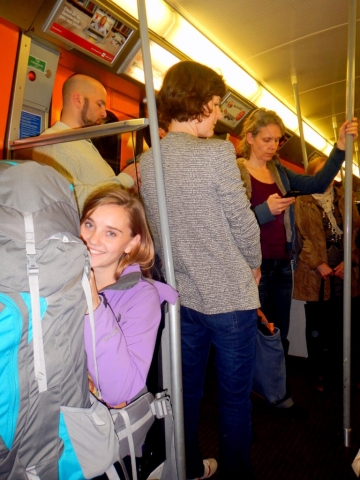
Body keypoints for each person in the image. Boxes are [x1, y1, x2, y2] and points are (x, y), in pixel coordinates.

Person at [140, 61, 262, 480]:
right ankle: (236, 473)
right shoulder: (216, 153)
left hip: (180, 299)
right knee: (232, 399)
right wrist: (256, 263)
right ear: (197, 105)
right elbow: (242, 221)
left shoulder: (147, 162)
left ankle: (187, 465)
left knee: (185, 392)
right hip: (229, 298)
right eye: (214, 106)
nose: (217, 115)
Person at [236, 108, 358, 410]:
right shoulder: (234, 171)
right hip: (251, 264)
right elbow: (231, 222)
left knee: (278, 330)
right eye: (267, 139)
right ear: (250, 138)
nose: (273, 146)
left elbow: (316, 184)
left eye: (278, 140)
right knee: (252, 331)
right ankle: (248, 389)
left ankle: (275, 387)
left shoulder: (278, 171)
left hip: (280, 263)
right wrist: (266, 211)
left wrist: (339, 150)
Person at [80, 186, 178, 407]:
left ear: (132, 243)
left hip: (96, 429)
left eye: (111, 233)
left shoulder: (142, 299)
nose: (92, 240)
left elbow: (119, 391)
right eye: (89, 224)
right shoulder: (57, 279)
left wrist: (93, 305)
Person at [293, 156, 360, 391]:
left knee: (345, 323)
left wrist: (347, 260)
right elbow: (299, 237)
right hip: (315, 274)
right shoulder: (301, 200)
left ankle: (344, 371)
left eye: (332, 172)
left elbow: (355, 232)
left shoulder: (345, 196)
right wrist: (318, 263)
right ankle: (319, 372)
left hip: (343, 270)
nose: (329, 178)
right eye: (323, 173)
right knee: (318, 325)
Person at [31, 74, 137, 214]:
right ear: (78, 100)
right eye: (99, 104)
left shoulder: (82, 142)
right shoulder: (53, 142)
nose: (104, 113)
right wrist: (124, 180)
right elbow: (71, 201)